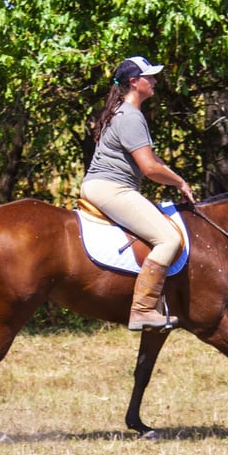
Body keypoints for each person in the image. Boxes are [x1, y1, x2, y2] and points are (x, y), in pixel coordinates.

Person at [81, 56, 195, 331]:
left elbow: (150, 160)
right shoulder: (131, 116)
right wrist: (180, 182)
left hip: (101, 185)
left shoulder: (120, 111)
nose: (154, 81)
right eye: (149, 77)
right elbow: (149, 167)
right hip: (112, 188)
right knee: (168, 239)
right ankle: (143, 309)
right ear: (134, 82)